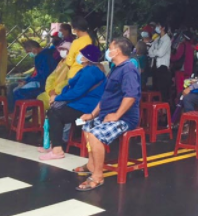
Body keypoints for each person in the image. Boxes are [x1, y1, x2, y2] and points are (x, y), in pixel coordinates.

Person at [77, 37, 141, 191]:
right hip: (108, 114)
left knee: (95, 134)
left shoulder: (128, 69)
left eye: (110, 48)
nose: (108, 51)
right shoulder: (116, 68)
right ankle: (91, 165)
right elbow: (106, 96)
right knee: (87, 127)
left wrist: (117, 115)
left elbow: (131, 96)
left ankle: (98, 176)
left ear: (117, 51)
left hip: (125, 118)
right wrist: (92, 115)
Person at [38, 45, 106, 160]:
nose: (78, 56)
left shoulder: (91, 72)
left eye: (81, 54)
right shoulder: (89, 70)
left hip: (86, 107)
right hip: (81, 104)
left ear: (86, 57)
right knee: (54, 112)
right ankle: (53, 145)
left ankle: (57, 150)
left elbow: (77, 92)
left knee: (55, 114)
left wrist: (57, 98)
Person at [8, 40, 59, 109]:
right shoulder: (43, 55)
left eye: (28, 52)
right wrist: (27, 80)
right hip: (39, 81)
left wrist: (27, 81)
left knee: (17, 91)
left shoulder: (45, 57)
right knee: (12, 86)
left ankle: (20, 111)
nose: (28, 54)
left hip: (43, 84)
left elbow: (42, 76)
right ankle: (14, 110)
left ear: (34, 49)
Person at [38, 42, 71, 110]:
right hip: (53, 91)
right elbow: (51, 78)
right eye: (61, 49)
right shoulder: (61, 63)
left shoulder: (72, 63)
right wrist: (50, 90)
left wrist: (56, 91)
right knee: (40, 98)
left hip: (63, 92)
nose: (62, 51)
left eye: (64, 49)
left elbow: (69, 80)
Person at [148, 21, 172, 102]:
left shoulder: (167, 40)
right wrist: (155, 52)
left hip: (162, 67)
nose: (156, 28)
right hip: (154, 66)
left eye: (158, 26)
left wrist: (154, 52)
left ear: (163, 28)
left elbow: (161, 53)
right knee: (155, 88)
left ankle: (163, 108)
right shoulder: (157, 39)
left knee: (162, 90)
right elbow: (150, 52)